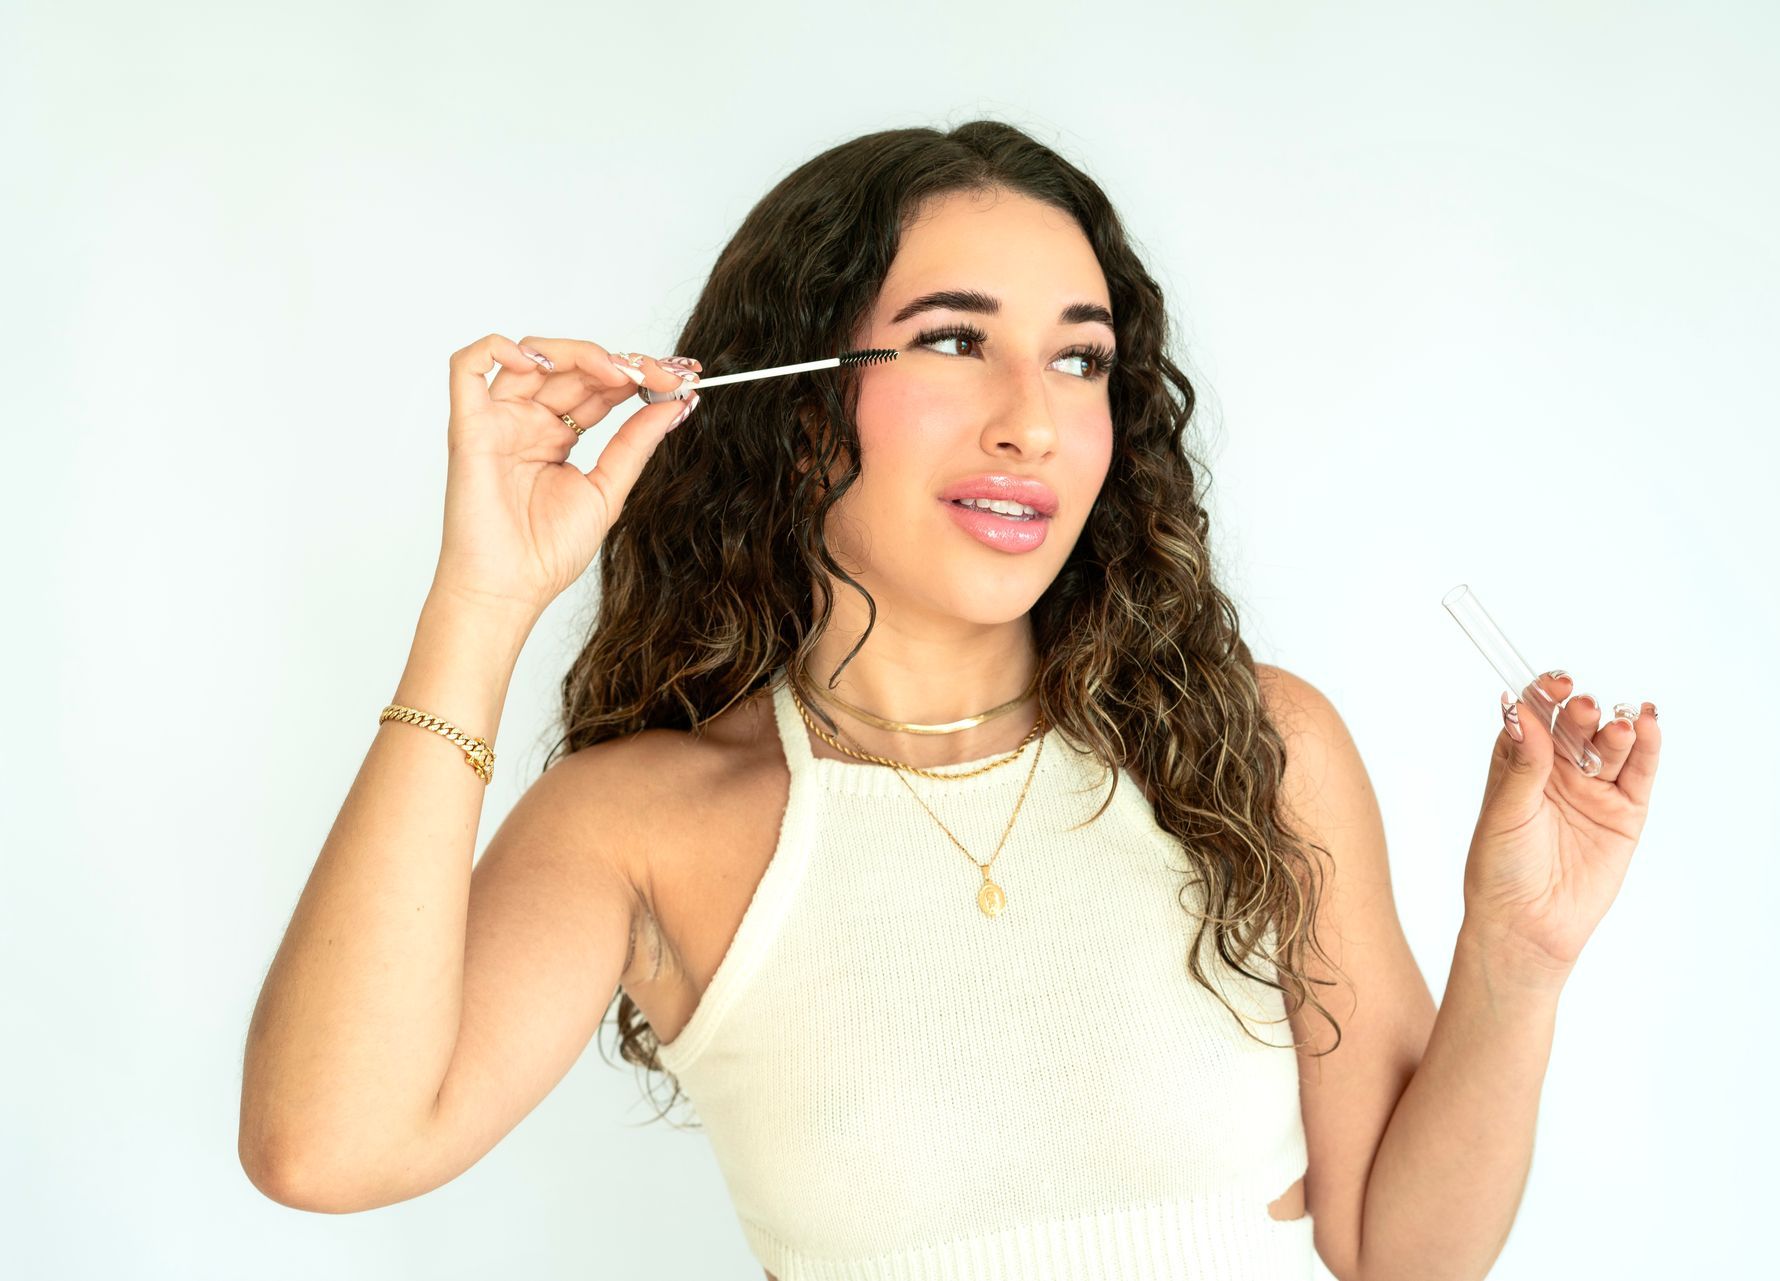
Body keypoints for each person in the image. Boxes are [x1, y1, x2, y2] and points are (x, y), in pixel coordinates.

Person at [239, 120, 1662, 1281]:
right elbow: (327, 1144)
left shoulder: (1255, 747)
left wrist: (1518, 961)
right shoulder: (643, 823)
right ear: (804, 410)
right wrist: (482, 603)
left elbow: (1403, 1251)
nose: (1030, 419)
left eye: (1080, 356)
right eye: (948, 341)